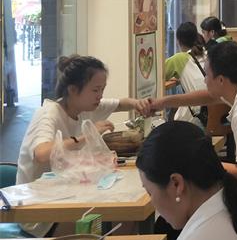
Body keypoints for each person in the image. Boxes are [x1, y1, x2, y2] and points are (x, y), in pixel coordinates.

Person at [150, 41, 237, 222]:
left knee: (176, 215)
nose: (204, 80)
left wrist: (202, 163)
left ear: (221, 80)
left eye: (207, 75)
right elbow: (208, 96)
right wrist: (163, 102)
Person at [17, 55, 149, 184]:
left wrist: (137, 103)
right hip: (34, 194)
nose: (100, 96)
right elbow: (41, 154)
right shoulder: (49, 114)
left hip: (62, 187)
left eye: (102, 89)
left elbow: (120, 104)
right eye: (95, 90)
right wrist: (87, 135)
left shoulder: (86, 107)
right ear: (73, 90)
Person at [163, 22, 207, 127]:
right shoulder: (206, 54)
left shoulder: (179, 58)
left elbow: (157, 74)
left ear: (178, 41)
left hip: (195, 119)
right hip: (211, 116)